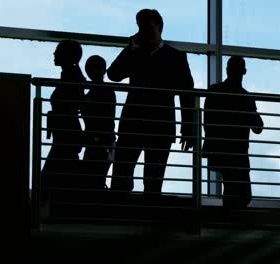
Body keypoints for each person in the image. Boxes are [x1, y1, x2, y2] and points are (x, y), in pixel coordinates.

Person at [107, 9, 194, 196]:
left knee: (150, 181)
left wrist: (189, 127)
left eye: (148, 28)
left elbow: (187, 93)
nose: (144, 32)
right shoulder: (149, 54)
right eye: (141, 28)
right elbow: (113, 74)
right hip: (153, 124)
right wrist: (130, 50)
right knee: (125, 177)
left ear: (160, 28)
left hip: (144, 124)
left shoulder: (175, 57)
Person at [203, 56, 264, 209]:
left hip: (220, 150)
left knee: (231, 189)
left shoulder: (214, 91)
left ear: (227, 70)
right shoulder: (246, 97)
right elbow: (258, 128)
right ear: (244, 71)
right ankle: (230, 220)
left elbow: (207, 122)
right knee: (241, 192)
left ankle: (229, 219)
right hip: (238, 152)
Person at [42, 40, 86, 194]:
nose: (54, 54)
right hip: (65, 135)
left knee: (51, 180)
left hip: (65, 135)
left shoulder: (71, 78)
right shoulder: (72, 77)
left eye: (58, 51)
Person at [81, 55, 116, 189]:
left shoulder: (91, 94)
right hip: (103, 142)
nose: (93, 71)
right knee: (96, 180)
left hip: (98, 142)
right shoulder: (107, 91)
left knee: (91, 181)